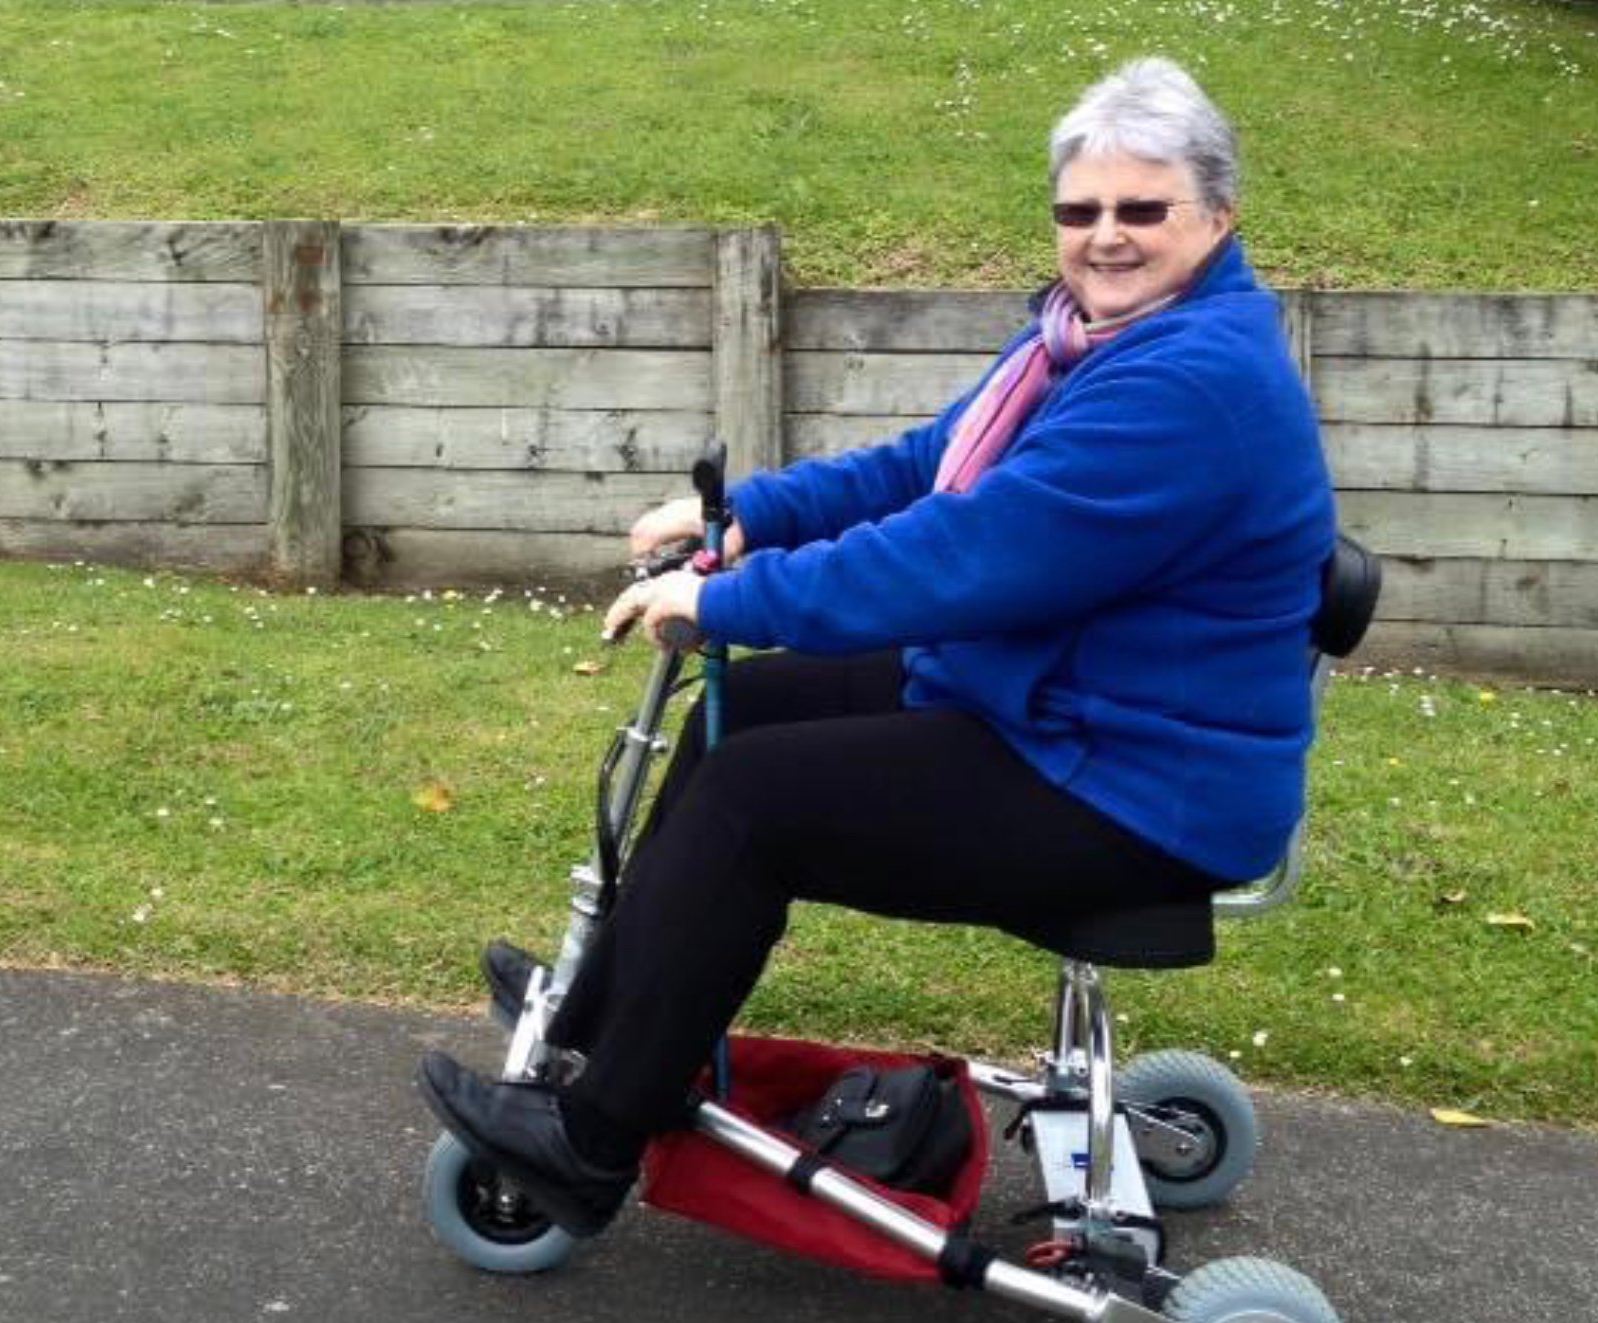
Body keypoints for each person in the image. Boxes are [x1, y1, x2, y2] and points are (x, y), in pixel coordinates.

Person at [418, 56, 1336, 1239]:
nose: (1104, 235)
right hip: (1060, 702)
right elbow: (928, 466)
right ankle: (611, 1021)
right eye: (1079, 209)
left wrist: (734, 601)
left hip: (1136, 784)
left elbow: (962, 556)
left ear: (1218, 216)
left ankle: (589, 1144)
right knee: (743, 717)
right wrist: (747, 518)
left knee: (753, 800)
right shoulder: (1086, 340)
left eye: (1140, 208)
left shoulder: (1186, 387)